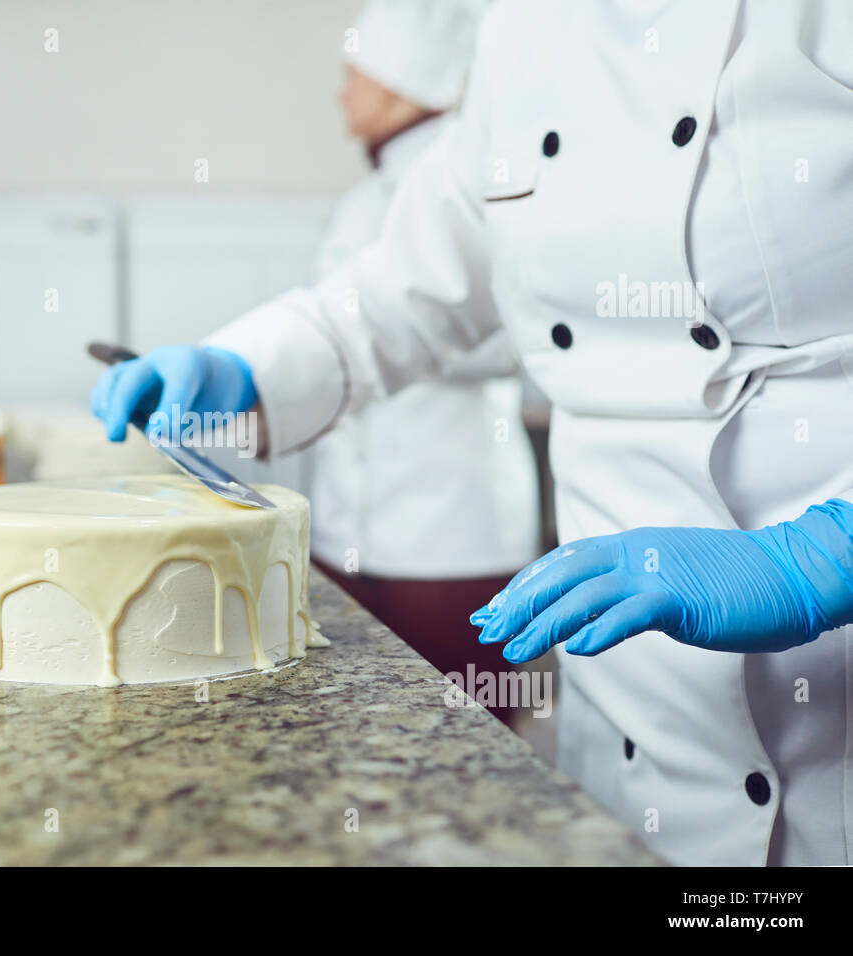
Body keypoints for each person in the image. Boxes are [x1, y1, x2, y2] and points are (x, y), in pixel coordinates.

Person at [91, 0, 853, 866]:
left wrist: (828, 556)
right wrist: (247, 367)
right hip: (625, 706)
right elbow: (405, 286)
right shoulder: (523, 27)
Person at [307, 0, 539, 722]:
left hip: (452, 536)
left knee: (466, 744)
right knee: (358, 739)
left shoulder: (481, 180)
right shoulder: (363, 197)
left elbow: (511, 335)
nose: (341, 91)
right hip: (348, 528)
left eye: (356, 73)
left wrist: (379, 339)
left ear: (406, 85)